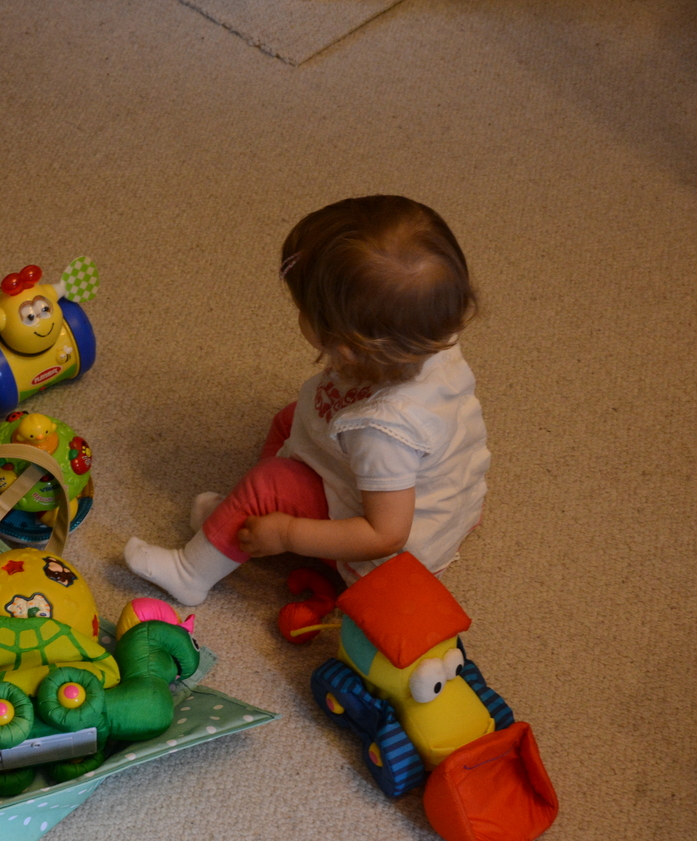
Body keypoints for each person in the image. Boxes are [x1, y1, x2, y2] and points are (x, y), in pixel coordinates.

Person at [124, 195, 490, 607]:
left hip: (387, 558)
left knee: (271, 482)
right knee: (291, 419)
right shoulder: (422, 336)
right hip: (441, 499)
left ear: (346, 349)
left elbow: (384, 535)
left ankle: (191, 572)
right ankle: (242, 515)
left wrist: (288, 533)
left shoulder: (384, 432)